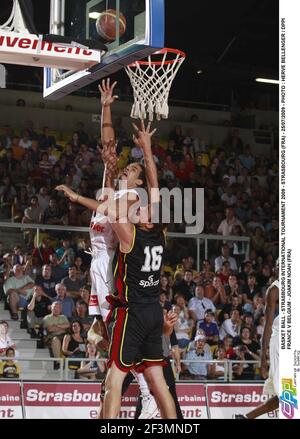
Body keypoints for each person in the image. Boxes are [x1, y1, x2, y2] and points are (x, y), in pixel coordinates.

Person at [56, 121, 177, 419]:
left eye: (129, 171)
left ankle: (133, 398)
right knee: (111, 339)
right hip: (124, 285)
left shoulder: (132, 217)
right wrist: (142, 148)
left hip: (123, 286)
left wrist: (76, 198)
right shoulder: (147, 223)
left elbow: (143, 189)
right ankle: (151, 399)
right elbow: (141, 179)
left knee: (116, 365)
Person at [235, 275, 279, 418]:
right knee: (288, 390)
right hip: (280, 342)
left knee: (286, 394)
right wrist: (263, 358)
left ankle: (246, 417)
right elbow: (268, 324)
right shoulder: (275, 290)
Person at [43, 301, 70, 369]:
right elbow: (50, 329)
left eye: (58, 307)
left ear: (60, 309)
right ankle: (58, 363)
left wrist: (56, 326)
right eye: (55, 307)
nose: (56, 309)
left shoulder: (63, 317)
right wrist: (62, 327)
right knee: (55, 340)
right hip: (51, 337)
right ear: (51, 308)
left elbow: (68, 325)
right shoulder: (47, 318)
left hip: (63, 336)